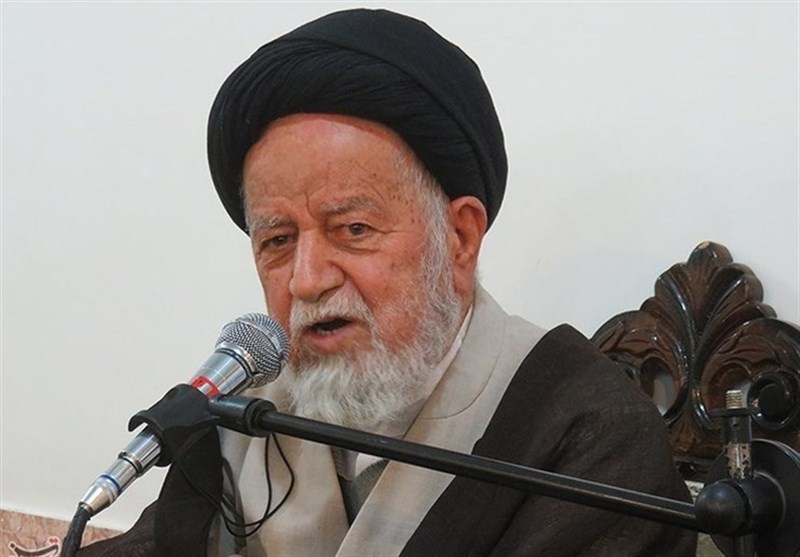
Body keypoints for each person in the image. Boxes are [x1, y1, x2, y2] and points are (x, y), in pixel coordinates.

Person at [79, 8, 696, 557]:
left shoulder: (583, 430)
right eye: (278, 241)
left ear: (459, 238)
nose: (308, 280)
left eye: (352, 229)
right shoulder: (245, 417)